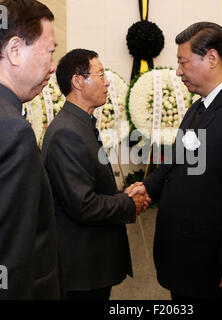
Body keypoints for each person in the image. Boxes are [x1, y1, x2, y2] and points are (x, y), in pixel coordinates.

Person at [128, 22, 222, 300]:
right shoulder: (199, 107)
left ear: (211, 58)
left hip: (215, 267)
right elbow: (178, 162)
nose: (178, 71)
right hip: (189, 261)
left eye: (183, 62)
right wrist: (148, 187)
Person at [42, 49, 148, 300]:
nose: (107, 81)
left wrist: (122, 195)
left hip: (91, 262)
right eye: (100, 74)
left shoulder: (80, 123)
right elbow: (83, 205)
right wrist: (127, 203)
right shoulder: (67, 132)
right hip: (81, 269)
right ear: (78, 81)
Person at [0, 0, 59, 299]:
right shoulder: (11, 129)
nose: (53, 65)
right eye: (50, 50)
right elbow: (12, 253)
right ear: (14, 51)